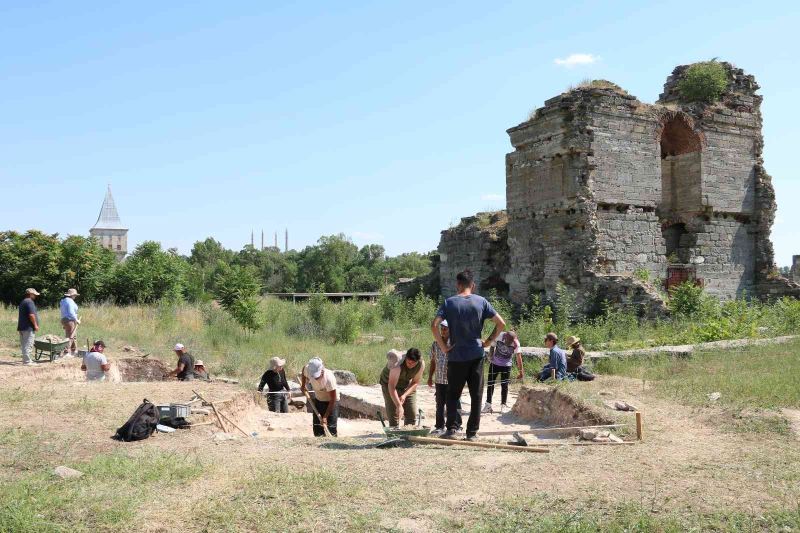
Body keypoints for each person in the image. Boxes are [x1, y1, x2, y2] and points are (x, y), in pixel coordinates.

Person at [432, 270, 506, 441]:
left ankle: (451, 430)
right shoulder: (482, 301)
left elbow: (434, 325)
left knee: (452, 394)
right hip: (476, 354)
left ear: (457, 285)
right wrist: (487, 342)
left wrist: (443, 347)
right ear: (473, 285)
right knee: (476, 395)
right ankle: (472, 433)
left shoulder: (449, 302)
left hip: (456, 355)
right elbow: (501, 324)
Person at [427, 321, 461, 435]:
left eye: (445, 328)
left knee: (453, 404)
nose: (443, 330)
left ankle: (454, 426)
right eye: (442, 328)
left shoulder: (455, 344)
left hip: (452, 380)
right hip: (439, 380)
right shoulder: (435, 344)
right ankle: (439, 426)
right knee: (439, 404)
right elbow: (433, 361)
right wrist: (430, 377)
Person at [380, 348, 425, 427]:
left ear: (417, 361)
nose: (410, 365)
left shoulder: (421, 364)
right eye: (408, 362)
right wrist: (398, 405)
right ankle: (394, 432)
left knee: (411, 414)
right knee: (394, 415)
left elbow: (415, 382)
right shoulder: (397, 363)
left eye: (413, 363)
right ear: (405, 358)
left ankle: (408, 434)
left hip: (405, 385)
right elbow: (391, 386)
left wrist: (404, 395)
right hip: (388, 384)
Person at [483, 330, 524, 413]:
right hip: (494, 363)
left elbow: (518, 357)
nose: (509, 344)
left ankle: (503, 405)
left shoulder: (516, 344)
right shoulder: (499, 336)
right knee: (490, 384)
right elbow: (492, 346)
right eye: (508, 341)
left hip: (506, 365)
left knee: (504, 385)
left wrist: (521, 372)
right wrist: (491, 356)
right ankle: (488, 405)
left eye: (510, 342)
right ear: (504, 337)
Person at [301, 357, 338, 437]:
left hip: (331, 402)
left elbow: (333, 399)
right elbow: (304, 370)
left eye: (318, 376)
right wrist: (303, 385)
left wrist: (325, 417)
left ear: (322, 370)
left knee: (331, 427)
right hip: (319, 400)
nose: (316, 378)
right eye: (314, 377)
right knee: (317, 426)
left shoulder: (329, 379)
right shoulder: (308, 369)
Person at [17, 288, 40, 366]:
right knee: (28, 344)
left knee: (24, 344)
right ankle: (27, 361)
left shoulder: (23, 302)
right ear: (30, 294)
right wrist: (35, 325)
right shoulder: (29, 302)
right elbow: (31, 315)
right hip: (28, 327)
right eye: (34, 294)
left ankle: (26, 360)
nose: (35, 296)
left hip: (22, 326)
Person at [59, 288, 81, 357]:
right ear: (71, 295)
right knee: (70, 337)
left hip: (65, 319)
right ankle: (67, 352)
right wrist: (76, 319)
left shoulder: (63, 301)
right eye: (74, 295)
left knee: (73, 336)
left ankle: (74, 351)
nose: (75, 296)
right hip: (70, 320)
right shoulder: (70, 301)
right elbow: (71, 312)